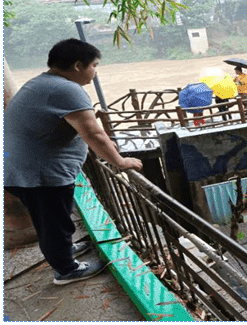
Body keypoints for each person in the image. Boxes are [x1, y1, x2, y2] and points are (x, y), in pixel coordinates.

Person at [4, 39, 143, 286]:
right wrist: (120, 162)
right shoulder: (66, 89)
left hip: (23, 170)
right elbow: (93, 133)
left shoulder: (43, 83)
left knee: (50, 219)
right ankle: (66, 270)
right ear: (78, 65)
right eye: (94, 65)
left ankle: (64, 250)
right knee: (54, 222)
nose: (95, 72)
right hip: (40, 174)